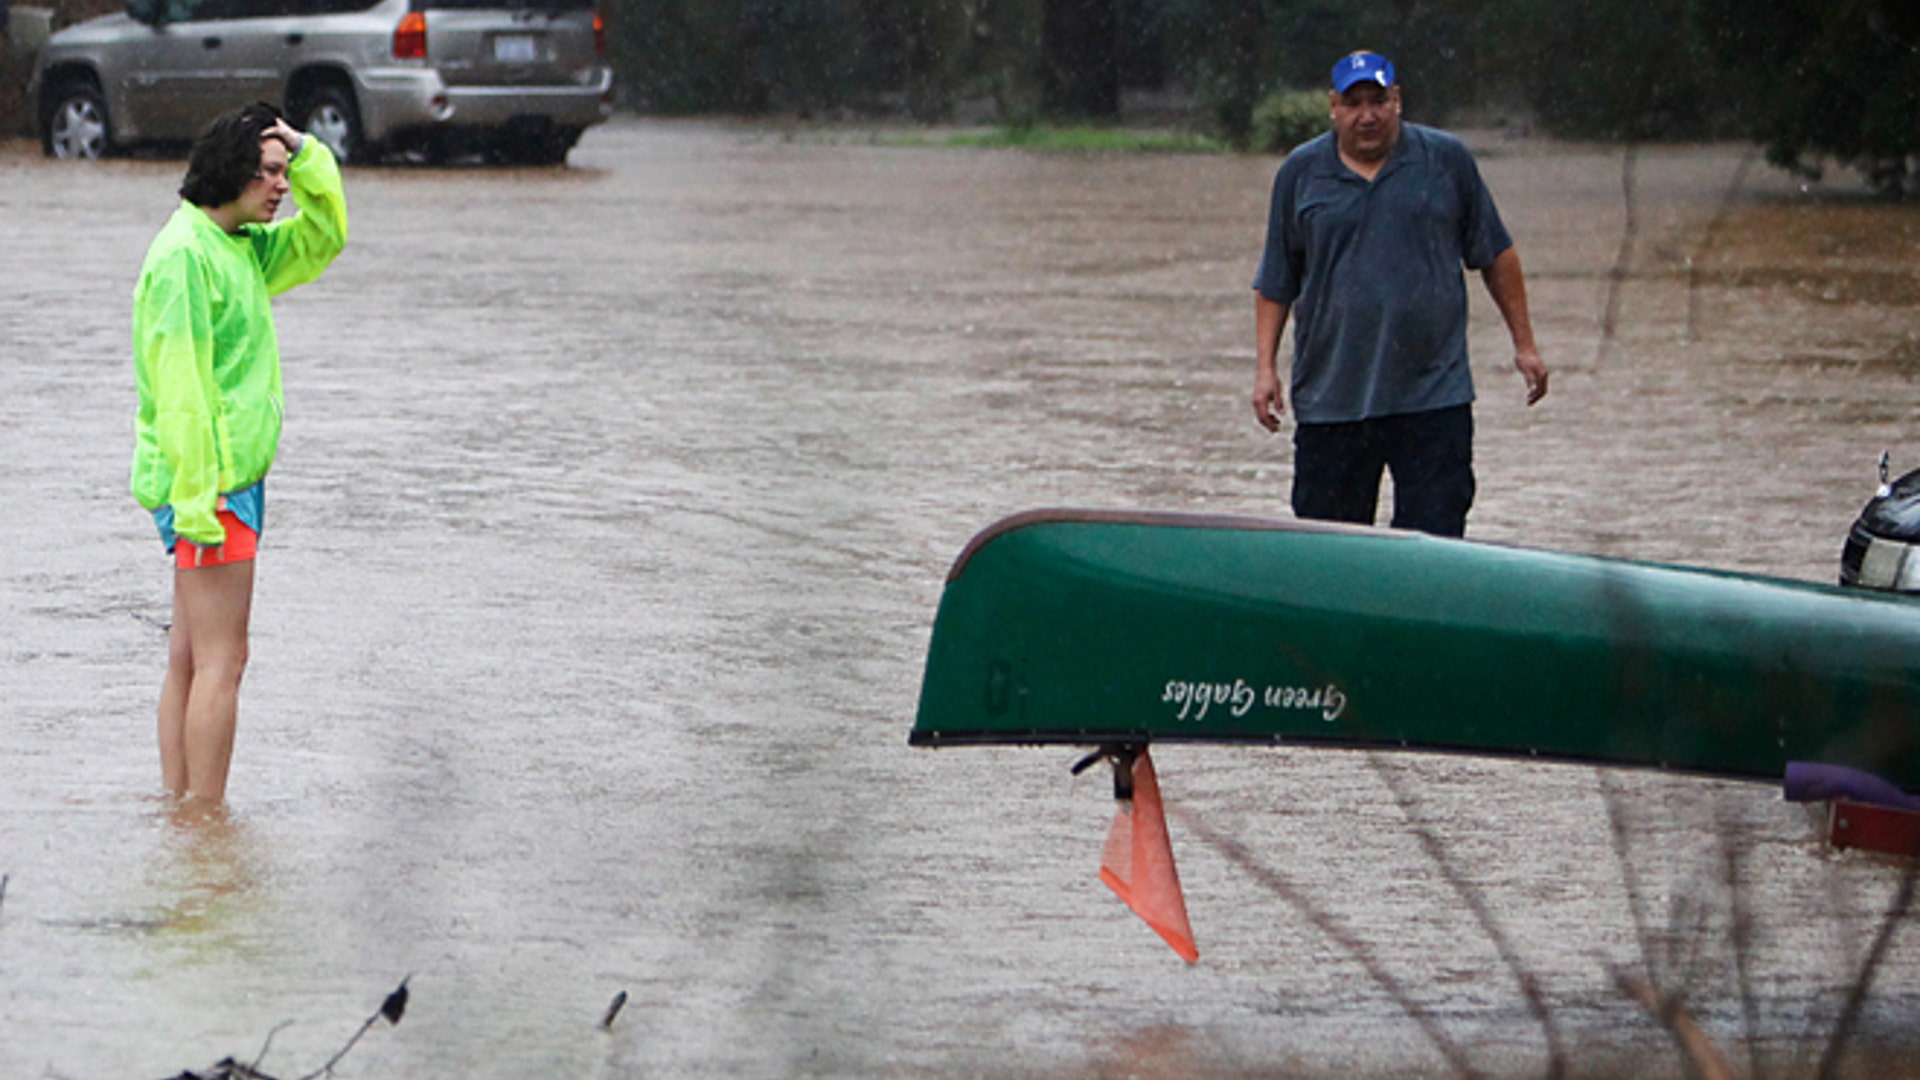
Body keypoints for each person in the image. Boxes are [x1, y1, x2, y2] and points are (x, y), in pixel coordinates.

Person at [131, 101, 347, 804]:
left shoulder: (241, 247)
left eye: (284, 172)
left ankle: (181, 816)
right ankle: (205, 823)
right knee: (224, 660)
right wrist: (197, 504)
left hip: (222, 481)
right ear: (232, 172)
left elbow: (324, 238)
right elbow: (180, 391)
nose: (282, 187)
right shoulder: (184, 256)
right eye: (270, 173)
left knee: (193, 658)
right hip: (210, 486)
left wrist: (308, 151)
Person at [1251, 50, 1547, 538]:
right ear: (1333, 107)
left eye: (1379, 101)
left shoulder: (1445, 160)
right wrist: (1265, 370)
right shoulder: (1300, 174)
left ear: (1398, 100)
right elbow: (1276, 281)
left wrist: (1526, 346)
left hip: (1432, 395)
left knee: (1435, 542)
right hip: (1332, 397)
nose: (1368, 115)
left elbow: (1496, 255)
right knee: (1330, 550)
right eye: (1354, 103)